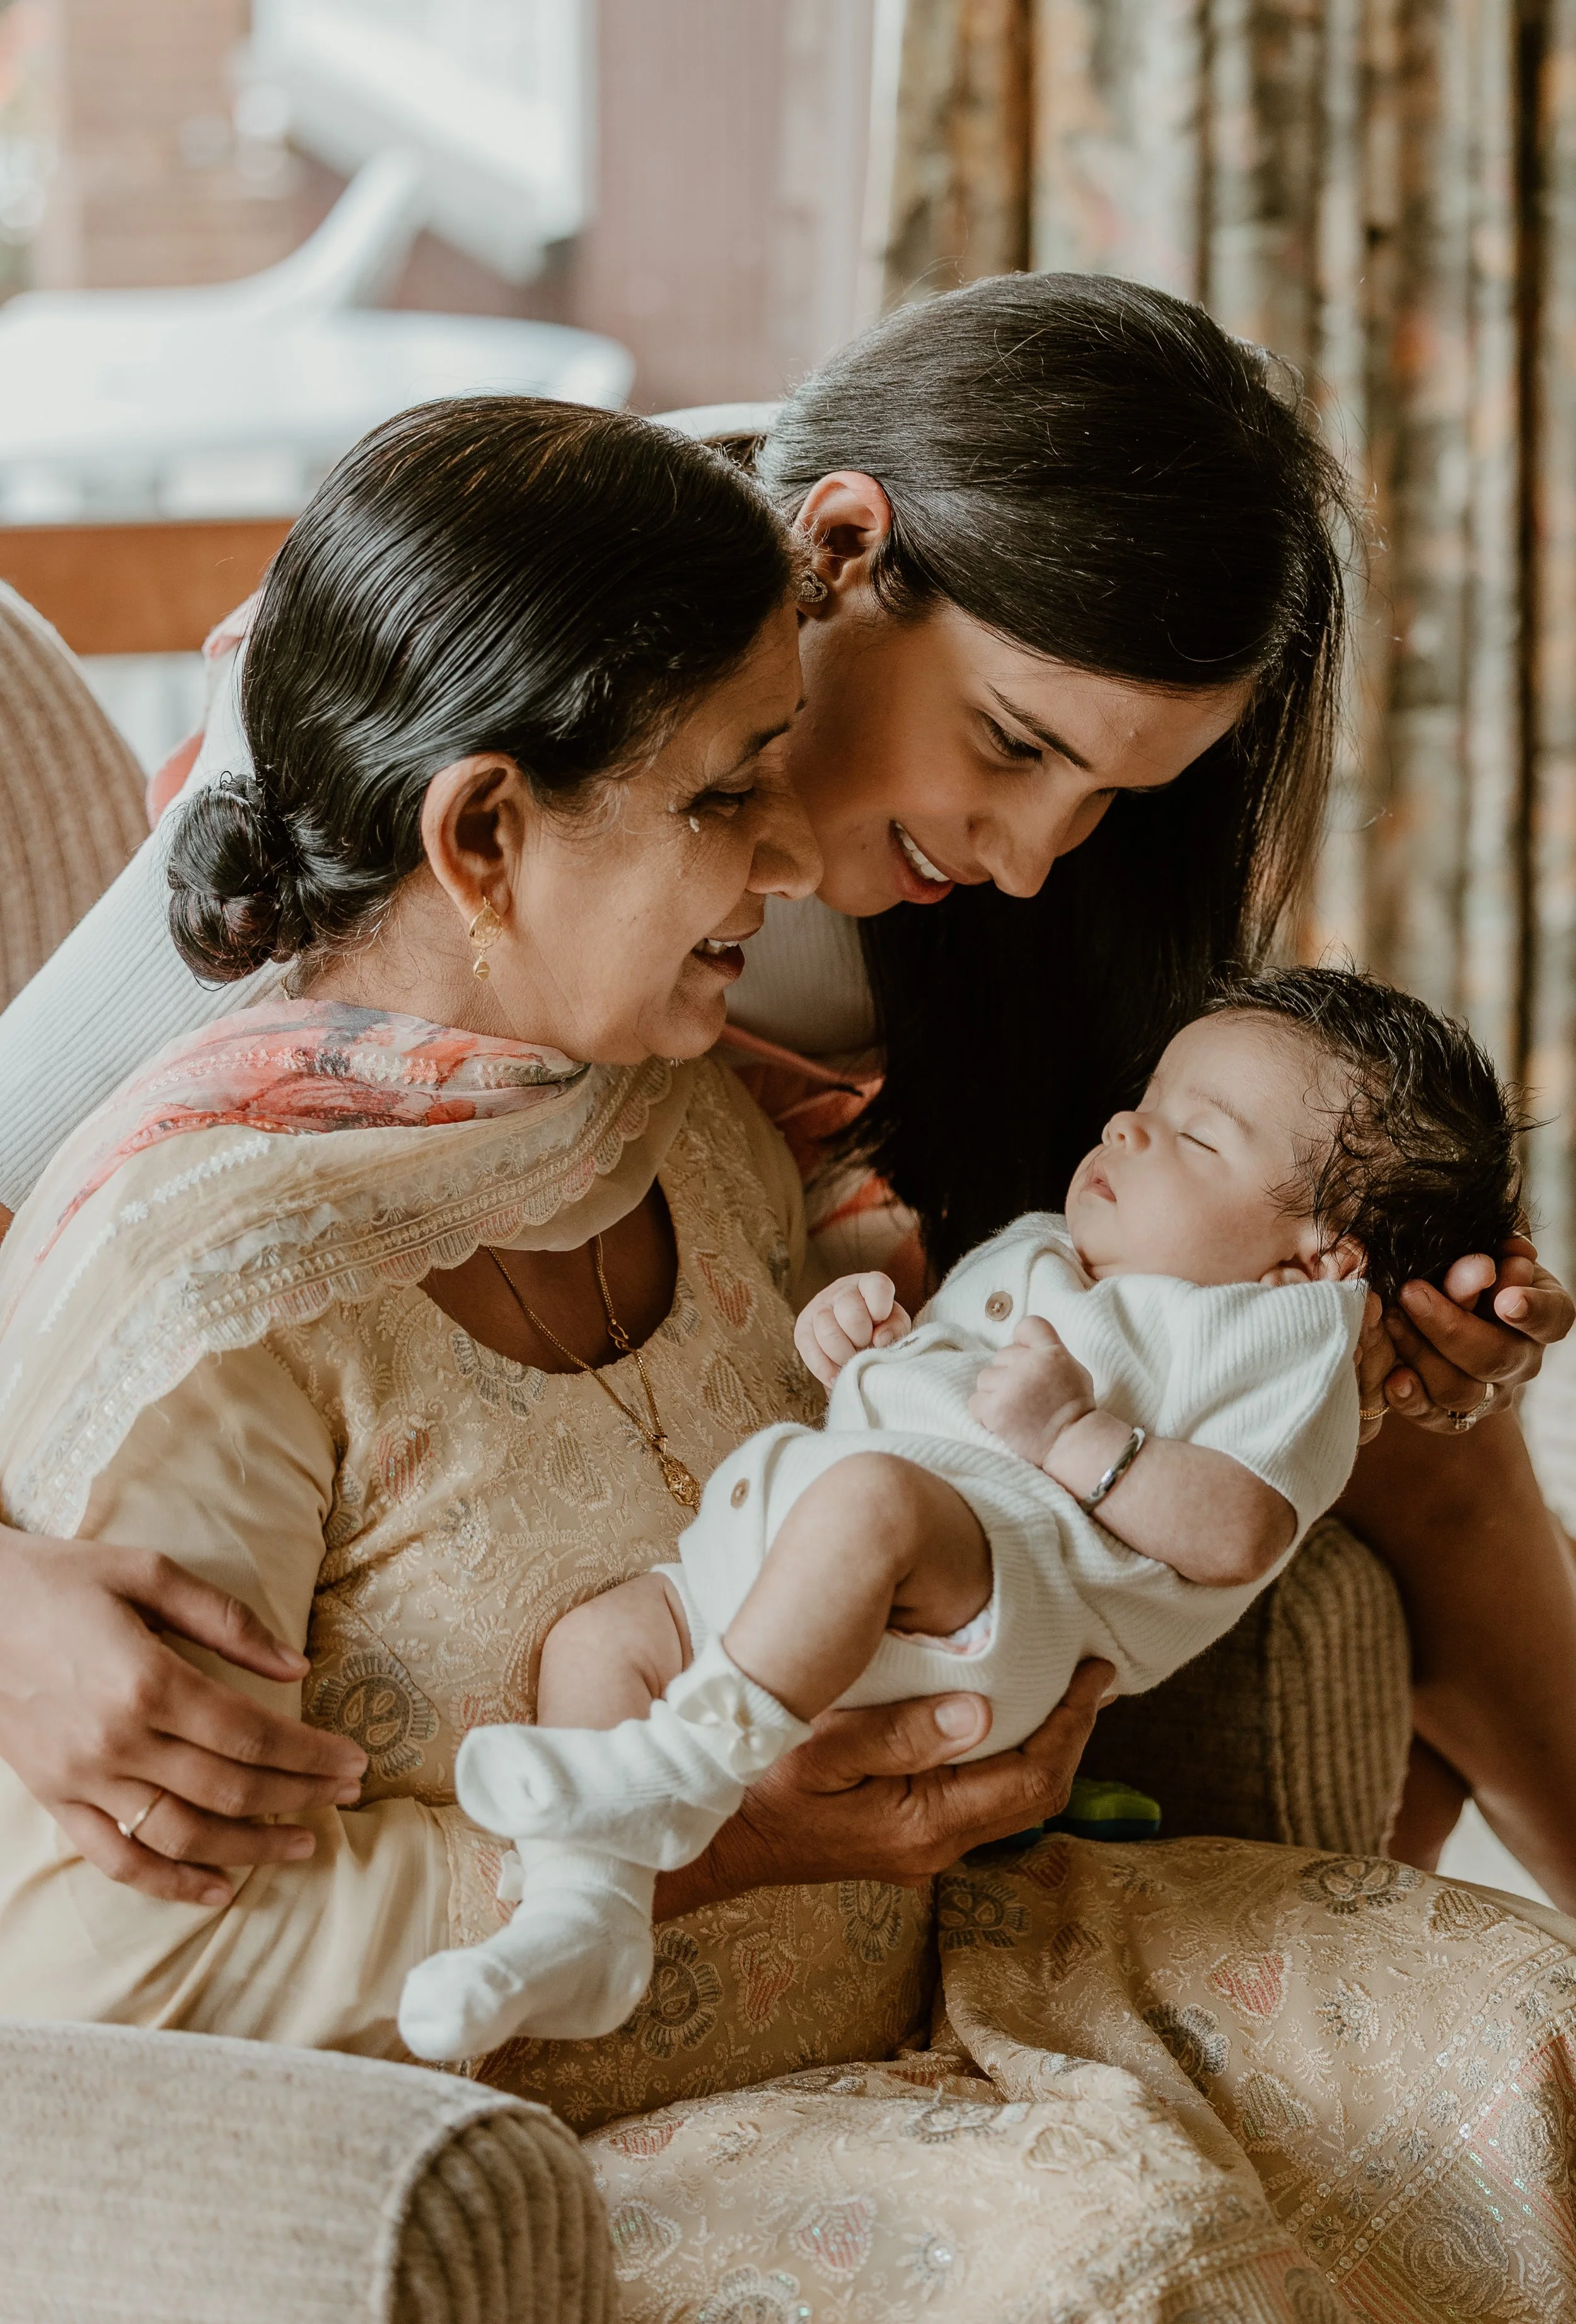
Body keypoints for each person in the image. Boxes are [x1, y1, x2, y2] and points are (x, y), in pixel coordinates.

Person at [4, 392, 1576, 2323]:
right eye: (729, 794)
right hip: (549, 2106)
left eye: (1106, 807)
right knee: (1138, 2268)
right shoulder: (225, 1260)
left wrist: (1320, 1336)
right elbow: (97, 1979)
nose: (1015, 860)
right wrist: (694, 1846)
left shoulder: (727, 1109)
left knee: (1510, 2021)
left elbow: (1071, 1382)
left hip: (943, 1977)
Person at [400, 968, 1522, 2058]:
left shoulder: (1283, 1338)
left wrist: (1075, 1439)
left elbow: (1239, 1534)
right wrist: (854, 1340)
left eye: (1197, 1136)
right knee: (600, 1637)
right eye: (1142, 1106)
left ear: (1316, 1258)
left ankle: (687, 1763)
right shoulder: (1053, 1251)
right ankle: (581, 1916)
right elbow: (939, 1388)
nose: (1127, 1132)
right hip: (830, 1553)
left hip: (1005, 1596)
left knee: (873, 1503)